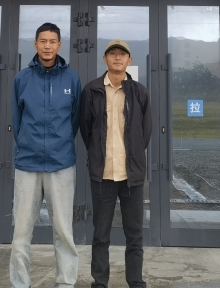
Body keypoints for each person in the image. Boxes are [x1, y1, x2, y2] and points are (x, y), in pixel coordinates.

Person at [10, 22, 81, 288]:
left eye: (52, 41)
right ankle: (20, 283)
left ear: (59, 45)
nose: (47, 46)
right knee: (21, 230)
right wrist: (27, 144)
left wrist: (60, 144)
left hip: (61, 164)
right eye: (43, 41)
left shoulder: (71, 79)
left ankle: (65, 282)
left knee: (63, 230)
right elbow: (16, 120)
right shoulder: (22, 79)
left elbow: (74, 121)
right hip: (27, 165)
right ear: (36, 44)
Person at [80, 40, 152, 288]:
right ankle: (100, 282)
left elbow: (145, 131)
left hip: (132, 175)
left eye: (123, 54)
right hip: (103, 174)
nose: (118, 57)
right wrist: (97, 154)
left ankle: (136, 281)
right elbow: (86, 129)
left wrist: (134, 155)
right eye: (113, 54)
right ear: (105, 59)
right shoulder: (92, 90)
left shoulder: (139, 92)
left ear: (129, 60)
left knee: (135, 234)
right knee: (101, 234)